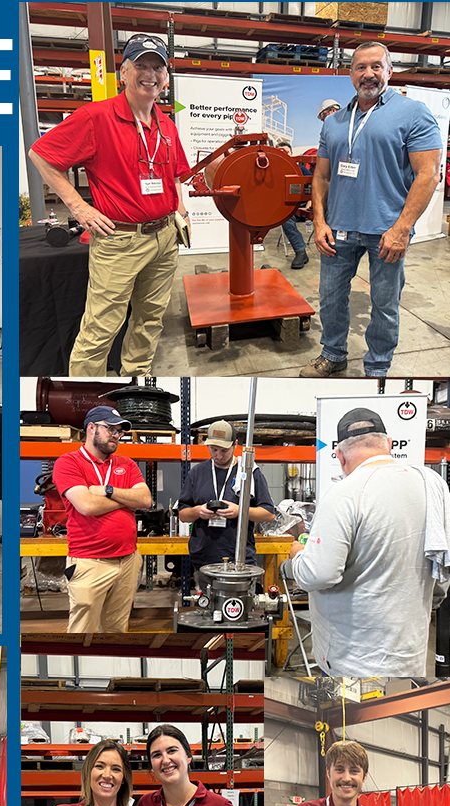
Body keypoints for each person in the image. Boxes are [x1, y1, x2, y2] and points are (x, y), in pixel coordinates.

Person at [28, 35, 190, 377]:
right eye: (141, 66)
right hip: (120, 241)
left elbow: (175, 174)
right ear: (123, 73)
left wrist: (180, 210)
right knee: (101, 328)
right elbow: (40, 154)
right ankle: (86, 399)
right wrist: (79, 207)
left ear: (167, 77)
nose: (150, 74)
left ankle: (135, 382)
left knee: (149, 320)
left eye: (158, 67)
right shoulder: (96, 117)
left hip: (164, 238)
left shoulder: (166, 125)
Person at [300, 42, 441, 379]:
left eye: (376, 66)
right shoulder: (334, 122)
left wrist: (402, 228)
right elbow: (321, 176)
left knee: (384, 305)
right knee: (331, 298)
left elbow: (428, 174)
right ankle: (333, 354)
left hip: (386, 230)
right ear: (350, 75)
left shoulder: (413, 113)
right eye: (360, 67)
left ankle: (377, 366)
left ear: (389, 71)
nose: (368, 74)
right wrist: (319, 222)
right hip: (338, 230)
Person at [286, 407, 450, 676]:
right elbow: (441, 572)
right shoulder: (433, 485)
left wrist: (298, 555)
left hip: (354, 659)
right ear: (389, 444)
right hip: (410, 653)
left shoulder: (344, 493)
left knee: (351, 716)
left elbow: (318, 575)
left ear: (339, 456)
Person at [52, 406, 153, 632]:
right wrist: (128, 499)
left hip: (128, 560)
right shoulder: (68, 463)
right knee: (82, 630)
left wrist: (108, 490)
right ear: (91, 428)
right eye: (110, 429)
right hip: (90, 563)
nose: (116, 436)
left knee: (117, 629)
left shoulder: (126, 464)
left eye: (120, 432)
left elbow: (145, 500)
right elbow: (87, 506)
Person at [176, 419, 276, 585]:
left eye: (224, 450)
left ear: (235, 445)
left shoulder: (249, 472)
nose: (218, 456)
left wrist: (240, 511)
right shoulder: (197, 473)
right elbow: (183, 515)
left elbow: (269, 514)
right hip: (204, 558)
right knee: (208, 607)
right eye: (213, 450)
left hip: (240, 558)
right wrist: (198, 511)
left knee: (239, 609)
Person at [276, 141, 312, 270]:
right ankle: (300, 252)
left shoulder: (301, 170)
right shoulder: (274, 173)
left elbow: (313, 187)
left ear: (292, 154)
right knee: (286, 220)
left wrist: (310, 203)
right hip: (288, 207)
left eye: (286, 152)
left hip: (305, 203)